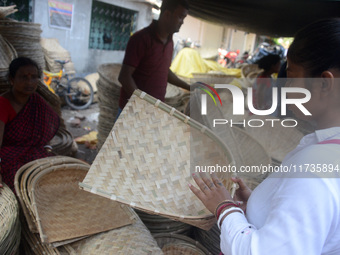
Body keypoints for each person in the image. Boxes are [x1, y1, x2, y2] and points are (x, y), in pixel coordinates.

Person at [189, 18, 340, 255]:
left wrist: (224, 207)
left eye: (292, 76)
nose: (286, 86)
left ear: (323, 83)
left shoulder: (314, 169)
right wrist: (259, 202)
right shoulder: (326, 151)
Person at [117, 0, 190, 115]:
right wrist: (142, 104)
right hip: (132, 111)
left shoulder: (170, 43)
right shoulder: (141, 39)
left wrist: (189, 87)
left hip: (153, 112)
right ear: (167, 15)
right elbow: (124, 77)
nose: (182, 22)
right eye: (180, 17)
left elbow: (165, 72)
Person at [0, 57, 60, 192]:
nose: (29, 82)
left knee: (57, 176)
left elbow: (45, 130)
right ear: (11, 79)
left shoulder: (37, 101)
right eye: (23, 77)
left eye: (34, 77)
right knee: (24, 185)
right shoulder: (3, 104)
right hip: (8, 158)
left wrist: (47, 149)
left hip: (34, 153)